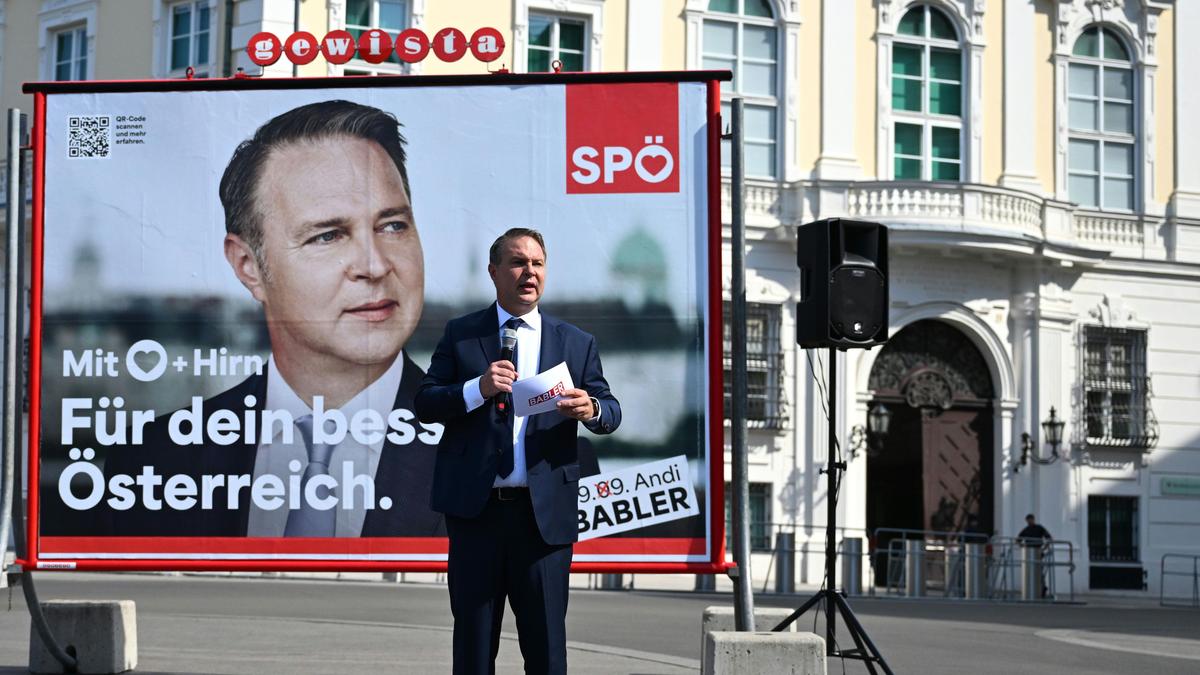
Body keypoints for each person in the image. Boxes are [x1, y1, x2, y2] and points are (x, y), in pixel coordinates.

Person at [105, 100, 444, 538]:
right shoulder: (154, 458)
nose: (374, 265)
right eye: (328, 235)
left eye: (393, 226)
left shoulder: (492, 448)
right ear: (249, 266)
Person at [415, 228, 621, 675]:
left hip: (542, 519)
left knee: (547, 653)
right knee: (473, 651)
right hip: (477, 516)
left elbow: (611, 411)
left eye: (538, 263)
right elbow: (426, 403)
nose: (530, 272)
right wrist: (477, 389)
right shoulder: (462, 335)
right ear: (494, 272)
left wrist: (591, 408)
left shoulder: (575, 342)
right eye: (518, 262)